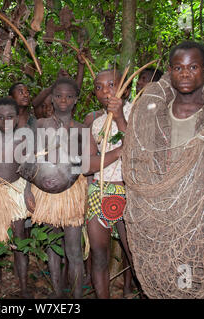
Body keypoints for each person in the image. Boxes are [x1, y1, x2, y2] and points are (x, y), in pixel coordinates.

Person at [121, 41, 204, 298]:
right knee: (173, 273)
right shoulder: (155, 115)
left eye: (193, 67)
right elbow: (141, 158)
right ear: (169, 71)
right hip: (164, 212)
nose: (186, 73)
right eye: (178, 68)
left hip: (203, 214)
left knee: (194, 273)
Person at [29, 77, 87, 298]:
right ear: (52, 99)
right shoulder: (40, 125)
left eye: (69, 96)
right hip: (45, 191)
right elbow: (30, 160)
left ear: (75, 100)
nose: (64, 99)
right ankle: (56, 292)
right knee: (52, 244)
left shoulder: (81, 129)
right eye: (59, 95)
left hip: (72, 193)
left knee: (73, 249)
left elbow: (86, 163)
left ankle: (77, 297)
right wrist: (28, 190)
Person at [82, 69, 136, 298]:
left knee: (135, 254)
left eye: (111, 84)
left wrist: (121, 117)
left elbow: (139, 152)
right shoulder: (96, 123)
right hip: (100, 190)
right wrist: (118, 151)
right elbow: (87, 166)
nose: (105, 91)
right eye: (99, 87)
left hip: (131, 192)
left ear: (123, 85)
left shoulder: (137, 111)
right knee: (99, 255)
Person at [0, 97, 34, 298]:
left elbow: (29, 167)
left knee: (19, 240)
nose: (5, 121)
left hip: (16, 190)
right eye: (0, 117)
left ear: (18, 117)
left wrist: (28, 190)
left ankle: (24, 286)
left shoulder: (23, 138)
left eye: (10, 117)